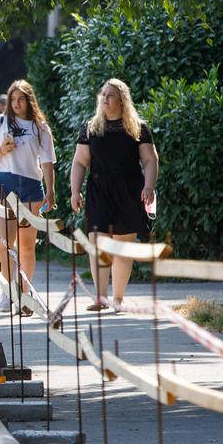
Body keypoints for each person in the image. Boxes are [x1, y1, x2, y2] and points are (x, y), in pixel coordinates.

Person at [69, 78, 159, 313]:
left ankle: (117, 298)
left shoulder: (138, 128)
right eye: (103, 94)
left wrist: (149, 187)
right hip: (99, 189)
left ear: (121, 100)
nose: (105, 98)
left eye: (110, 95)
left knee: (121, 247)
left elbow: (150, 160)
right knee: (97, 243)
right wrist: (74, 191)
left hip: (129, 190)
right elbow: (79, 162)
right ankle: (100, 298)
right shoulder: (90, 128)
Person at [0, 79, 56, 315]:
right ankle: (8, 291)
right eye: (13, 99)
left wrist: (50, 190)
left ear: (29, 100)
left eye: (21, 99)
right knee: (3, 243)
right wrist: (1, 150)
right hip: (4, 182)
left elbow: (47, 161)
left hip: (32, 186)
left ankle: (24, 291)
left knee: (26, 245)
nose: (16, 103)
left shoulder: (40, 127)